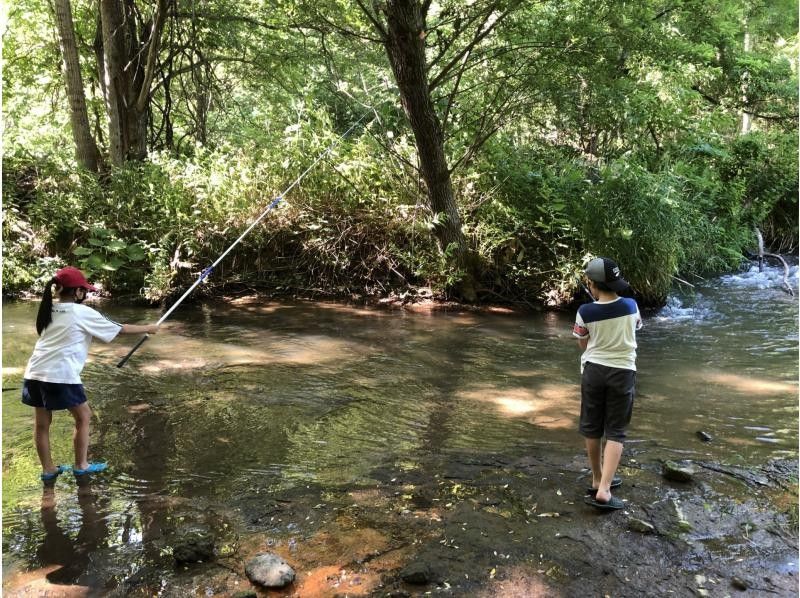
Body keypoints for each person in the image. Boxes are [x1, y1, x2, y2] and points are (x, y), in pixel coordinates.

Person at [22, 266, 160, 480]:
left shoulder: (48, 309)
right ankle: (81, 465)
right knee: (83, 417)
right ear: (77, 292)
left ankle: (48, 470)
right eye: (84, 290)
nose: (85, 294)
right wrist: (149, 327)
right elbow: (119, 329)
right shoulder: (82, 312)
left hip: (34, 373)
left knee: (41, 424)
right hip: (61, 375)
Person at [572, 257, 642, 510]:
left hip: (593, 372)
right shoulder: (632, 306)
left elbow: (583, 343)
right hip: (623, 372)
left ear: (592, 285)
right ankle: (604, 490)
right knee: (615, 431)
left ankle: (596, 478)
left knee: (592, 426)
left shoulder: (585, 311)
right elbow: (635, 330)